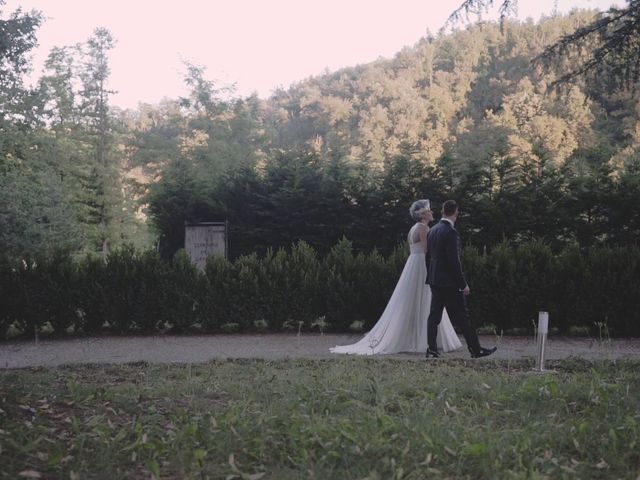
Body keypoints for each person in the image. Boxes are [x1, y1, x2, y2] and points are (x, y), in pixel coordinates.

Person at [330, 199, 462, 355]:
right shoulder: (423, 228)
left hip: (413, 263)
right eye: (429, 210)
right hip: (422, 265)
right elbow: (428, 251)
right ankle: (424, 340)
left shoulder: (413, 228)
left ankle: (423, 338)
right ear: (423, 214)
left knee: (416, 301)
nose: (432, 212)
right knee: (427, 300)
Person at [425, 200, 497, 359]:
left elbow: (428, 257)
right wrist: (463, 284)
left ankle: (431, 350)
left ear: (443, 211)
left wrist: (430, 277)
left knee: (434, 316)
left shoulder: (433, 230)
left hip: (435, 280)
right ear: (456, 213)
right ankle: (476, 350)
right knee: (464, 317)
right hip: (449, 283)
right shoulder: (451, 232)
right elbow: (454, 261)